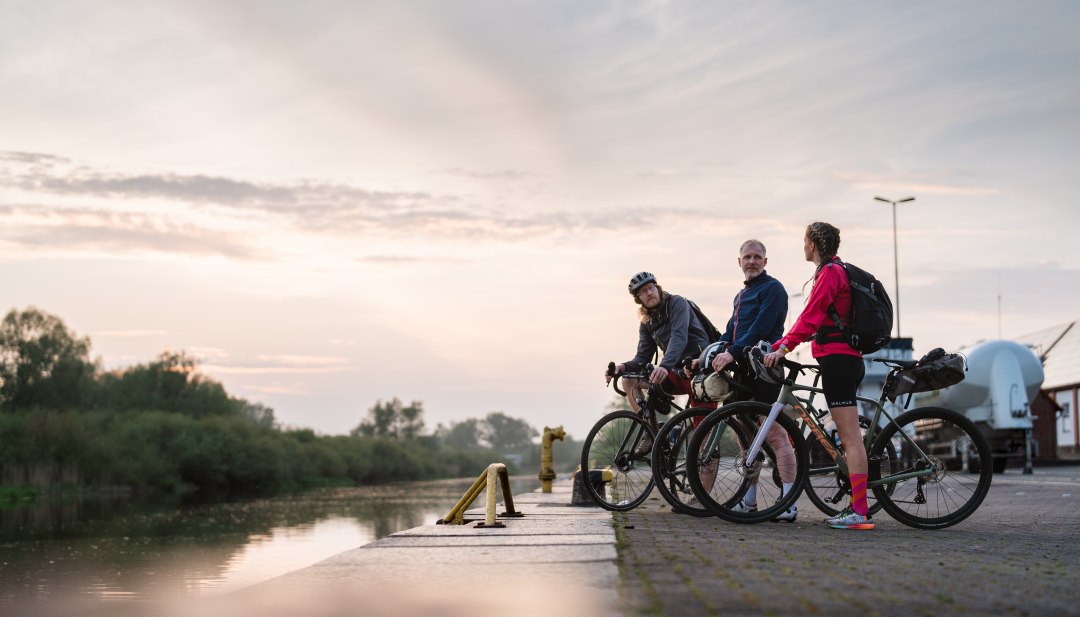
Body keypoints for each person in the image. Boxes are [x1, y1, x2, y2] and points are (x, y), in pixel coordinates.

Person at [763, 222, 873, 530]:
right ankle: (859, 506)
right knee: (849, 438)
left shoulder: (831, 273)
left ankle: (860, 511)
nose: (803, 246)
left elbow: (810, 317)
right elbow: (810, 318)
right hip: (837, 359)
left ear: (813, 245)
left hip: (839, 359)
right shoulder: (833, 271)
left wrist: (784, 347)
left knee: (851, 440)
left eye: (804, 241)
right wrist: (778, 345)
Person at [700, 239, 797, 521]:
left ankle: (788, 503)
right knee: (746, 439)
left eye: (757, 257)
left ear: (765, 262)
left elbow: (761, 328)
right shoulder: (740, 296)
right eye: (747, 257)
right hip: (741, 370)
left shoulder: (774, 289)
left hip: (764, 367)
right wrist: (708, 354)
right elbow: (730, 332)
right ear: (739, 262)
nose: (752, 261)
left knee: (775, 434)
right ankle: (749, 500)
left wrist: (732, 352)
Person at [608, 272, 715, 452]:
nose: (649, 293)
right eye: (643, 291)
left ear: (657, 288)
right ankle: (652, 433)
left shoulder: (677, 303)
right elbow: (642, 357)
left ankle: (700, 472)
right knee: (629, 380)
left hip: (699, 372)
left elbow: (679, 337)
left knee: (704, 444)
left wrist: (664, 366)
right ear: (638, 299)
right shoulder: (646, 321)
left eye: (651, 288)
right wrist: (622, 367)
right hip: (675, 374)